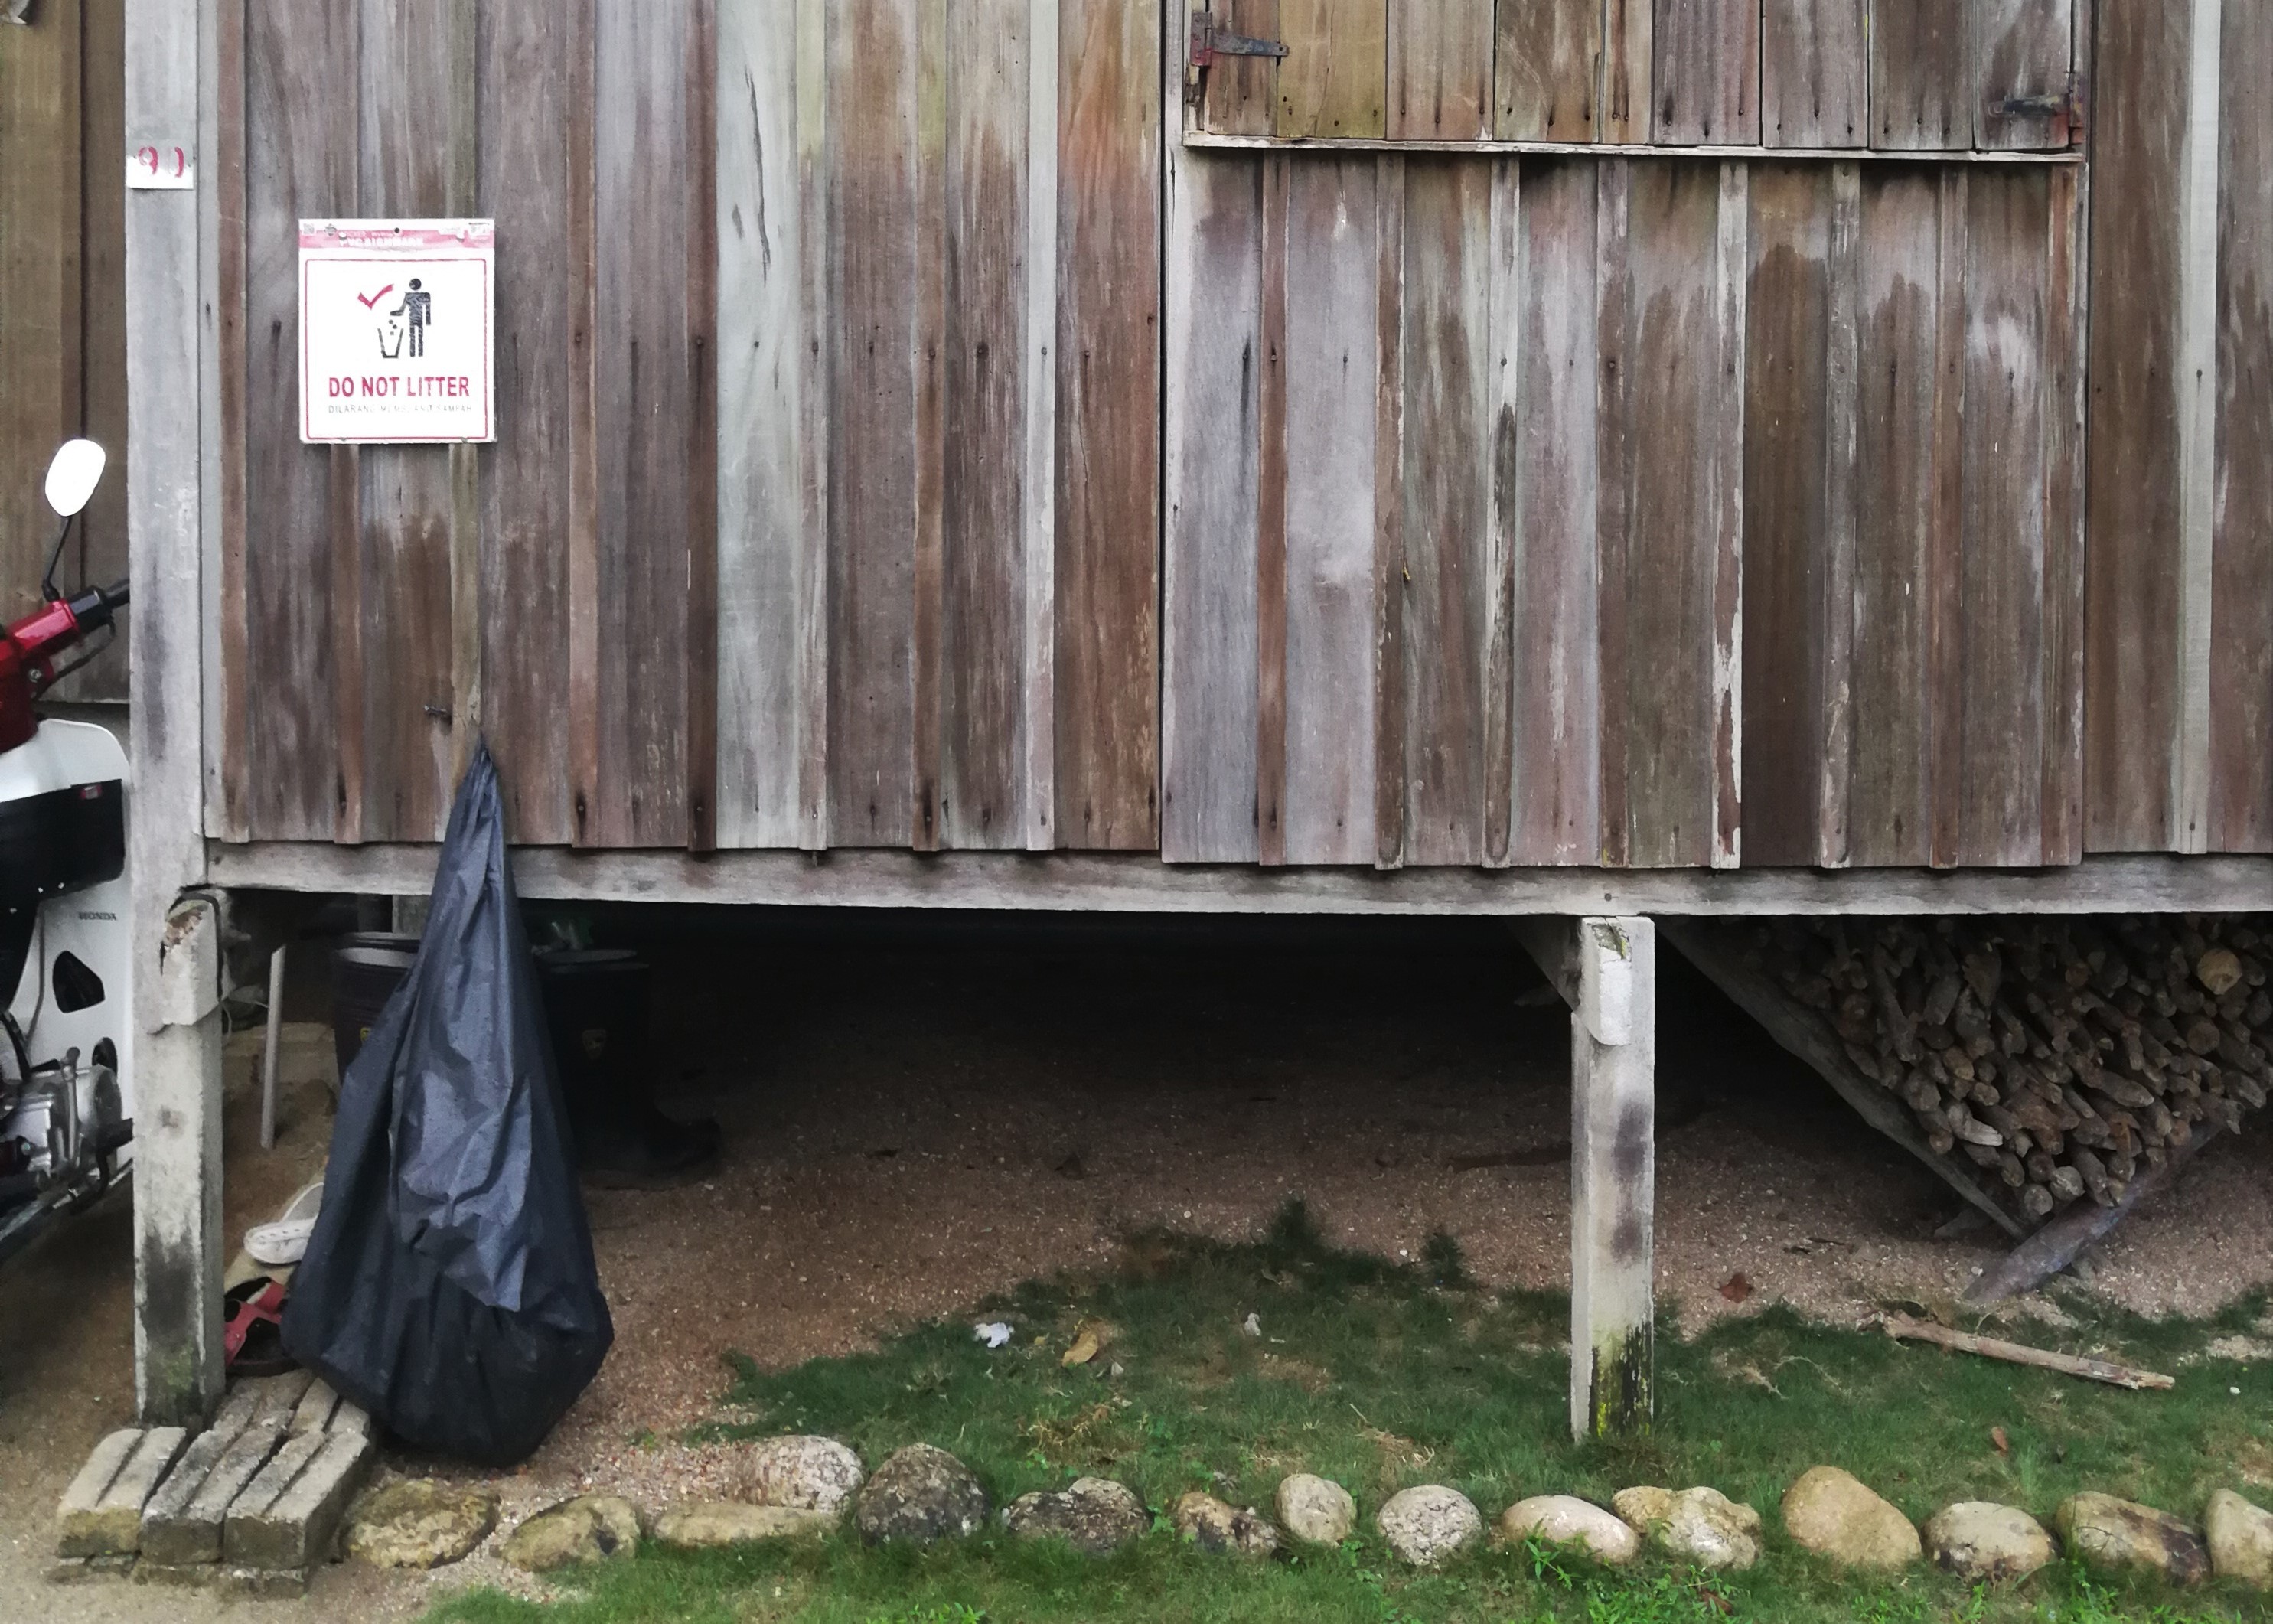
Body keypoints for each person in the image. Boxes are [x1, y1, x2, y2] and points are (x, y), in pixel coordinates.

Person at [390, 278, 433, 358]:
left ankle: (413, 354)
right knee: (419, 338)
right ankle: (419, 354)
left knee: (413, 338)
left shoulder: (408, 296)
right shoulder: (424, 295)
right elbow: (428, 309)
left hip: (413, 320)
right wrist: (428, 321)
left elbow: (401, 311)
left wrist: (392, 313)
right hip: (419, 319)